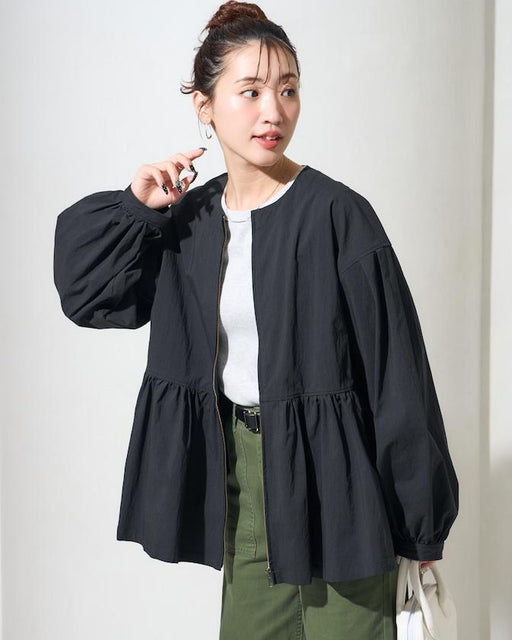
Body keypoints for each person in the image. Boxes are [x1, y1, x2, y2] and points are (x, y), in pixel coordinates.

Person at [53, 1, 460, 639]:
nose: (274, 111)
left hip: (344, 490)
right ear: (205, 105)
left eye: (288, 90)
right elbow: (87, 294)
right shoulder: (189, 222)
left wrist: (420, 524)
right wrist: (136, 209)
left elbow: (397, 379)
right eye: (251, 92)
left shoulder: (339, 215)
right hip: (244, 485)